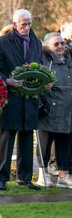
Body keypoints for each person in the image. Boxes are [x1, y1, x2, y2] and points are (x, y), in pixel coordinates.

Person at [0, 9, 53, 191]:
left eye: (29, 24)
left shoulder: (36, 42)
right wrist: (7, 81)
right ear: (14, 25)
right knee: (7, 137)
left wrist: (45, 82)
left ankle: (25, 178)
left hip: (30, 98)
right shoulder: (2, 43)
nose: (27, 27)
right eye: (23, 24)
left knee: (27, 137)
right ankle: (1, 178)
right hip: (10, 97)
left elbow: (40, 67)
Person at [37, 32, 72, 188]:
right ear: (47, 46)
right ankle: (42, 175)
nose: (60, 46)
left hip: (67, 110)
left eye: (62, 43)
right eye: (56, 44)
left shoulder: (69, 59)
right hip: (50, 108)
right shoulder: (43, 60)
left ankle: (63, 177)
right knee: (44, 144)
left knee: (64, 144)